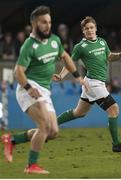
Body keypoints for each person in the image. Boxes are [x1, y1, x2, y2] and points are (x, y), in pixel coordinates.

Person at [1, 6, 88, 174]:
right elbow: (17, 72)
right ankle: (31, 165)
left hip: (44, 90)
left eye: (49, 22)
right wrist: (28, 87)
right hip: (29, 87)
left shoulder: (55, 40)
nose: (47, 25)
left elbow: (65, 57)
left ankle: (11, 140)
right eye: (43, 22)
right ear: (34, 24)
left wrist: (77, 76)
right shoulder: (29, 45)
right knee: (44, 127)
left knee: (53, 132)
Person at [54, 16, 121, 153]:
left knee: (79, 113)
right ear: (83, 31)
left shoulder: (102, 42)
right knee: (114, 109)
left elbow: (108, 57)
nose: (89, 30)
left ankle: (52, 124)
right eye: (86, 28)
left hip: (93, 83)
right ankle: (116, 144)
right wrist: (61, 75)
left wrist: (118, 55)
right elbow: (70, 63)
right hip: (94, 84)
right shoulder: (81, 47)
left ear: (96, 28)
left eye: (91, 27)